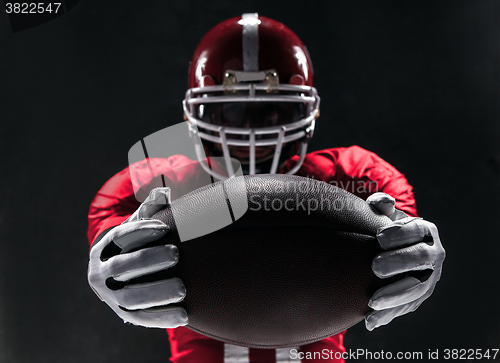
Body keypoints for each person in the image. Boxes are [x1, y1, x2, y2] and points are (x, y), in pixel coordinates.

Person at [87, 14, 445, 363]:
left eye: (271, 111)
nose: (251, 130)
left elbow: (405, 246)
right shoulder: (152, 186)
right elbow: (112, 248)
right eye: (231, 112)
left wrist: (419, 255)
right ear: (192, 116)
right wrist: (112, 262)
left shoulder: (358, 173)